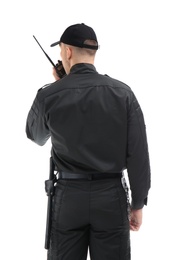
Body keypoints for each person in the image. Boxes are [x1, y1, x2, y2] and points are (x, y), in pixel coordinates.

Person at [26, 23, 151, 260]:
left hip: (68, 199)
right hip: (111, 197)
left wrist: (57, 86)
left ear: (68, 52)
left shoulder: (50, 95)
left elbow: (36, 136)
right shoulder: (123, 93)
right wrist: (137, 204)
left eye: (61, 50)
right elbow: (139, 154)